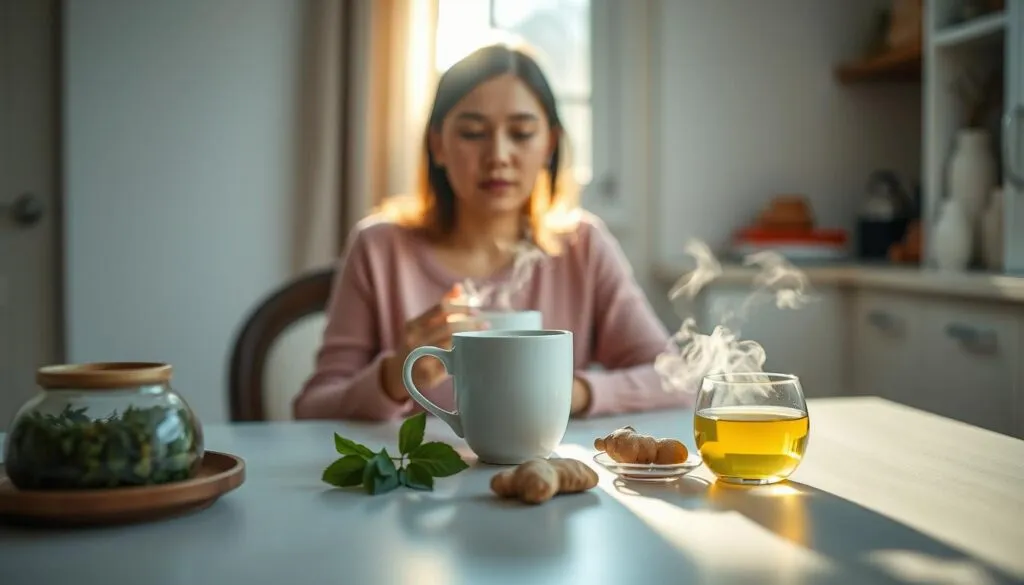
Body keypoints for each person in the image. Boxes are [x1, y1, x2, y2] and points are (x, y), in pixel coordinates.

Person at [293, 40, 693, 421]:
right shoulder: (380, 248)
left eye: (521, 134)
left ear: (550, 145)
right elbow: (312, 407)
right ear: (438, 145)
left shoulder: (582, 247)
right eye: (472, 133)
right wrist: (396, 374)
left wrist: (570, 393)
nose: (498, 156)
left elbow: (677, 381)